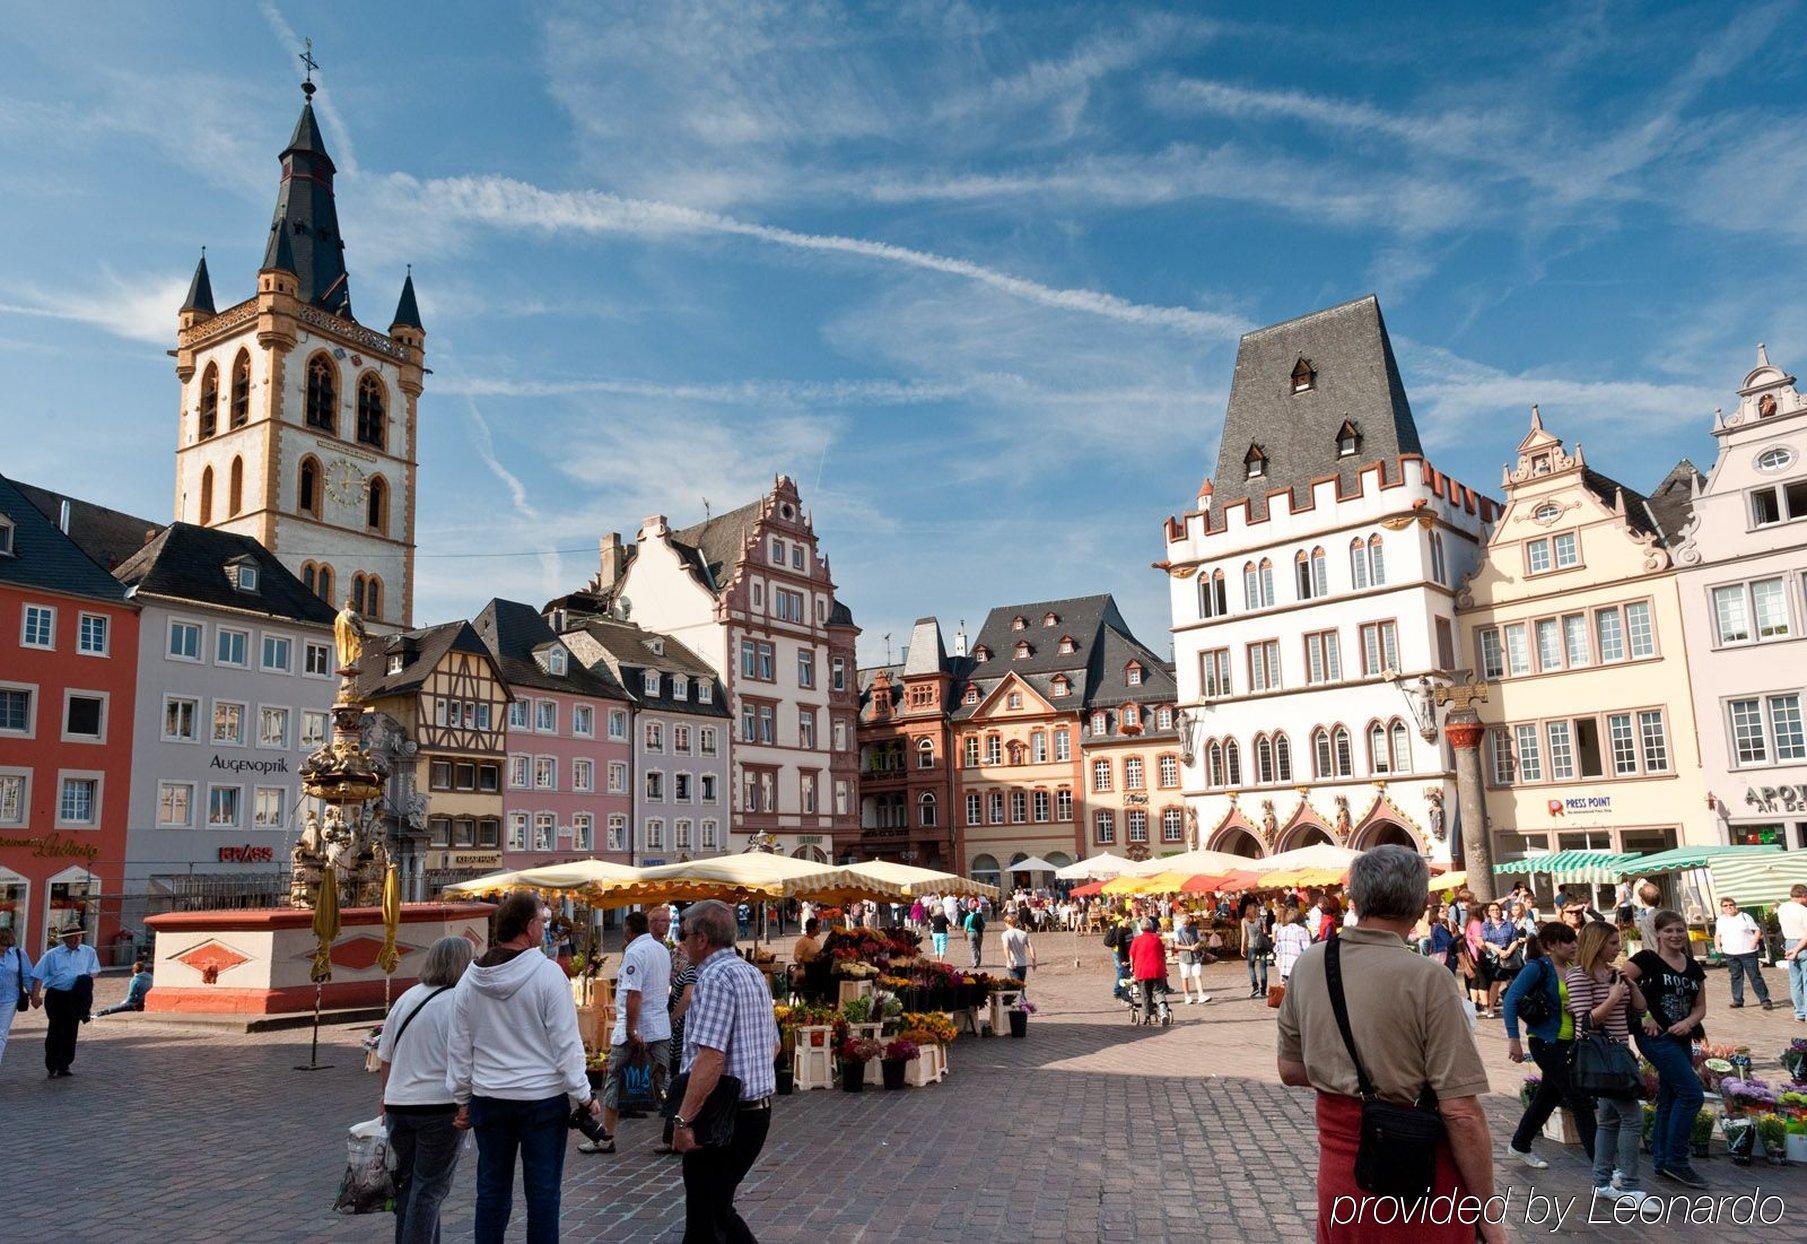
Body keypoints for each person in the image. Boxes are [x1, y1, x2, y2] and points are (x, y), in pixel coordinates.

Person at [1275, 846, 1503, 1244]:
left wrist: (1346, 1071)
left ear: (1355, 899)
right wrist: (1488, 1216)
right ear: (1419, 907)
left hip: (1342, 1176)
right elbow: (1461, 1113)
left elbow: (1290, 1069)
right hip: (1419, 1180)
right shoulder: (1428, 978)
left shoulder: (1311, 963)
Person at [446, 891, 599, 1244]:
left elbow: (459, 1045)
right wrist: (584, 1095)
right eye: (542, 923)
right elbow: (566, 1043)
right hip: (541, 1099)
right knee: (543, 1194)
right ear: (529, 927)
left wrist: (462, 1098)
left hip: (490, 1098)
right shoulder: (547, 975)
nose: (544, 929)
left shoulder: (470, 980)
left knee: (491, 1191)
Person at [671, 899, 780, 1243]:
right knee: (716, 1210)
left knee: (707, 1218)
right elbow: (773, 1045)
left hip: (722, 1117)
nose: (681, 941)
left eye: (684, 934)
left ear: (702, 938)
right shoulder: (750, 973)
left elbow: (710, 1058)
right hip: (755, 1112)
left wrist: (683, 1119)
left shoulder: (714, 978)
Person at [382, 936, 475, 1244]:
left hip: (399, 1105)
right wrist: (466, 1103)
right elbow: (465, 1060)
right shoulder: (460, 1003)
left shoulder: (407, 998)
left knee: (410, 1186)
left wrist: (385, 1100)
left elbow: (385, 1057)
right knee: (429, 1190)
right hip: (439, 1107)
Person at [1566, 920, 1650, 1208]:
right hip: (1600, 1057)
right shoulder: (1579, 976)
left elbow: (1639, 1009)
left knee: (1610, 1119)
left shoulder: (1614, 974)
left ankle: (1602, 1180)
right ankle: (1629, 1184)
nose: (1618, 949)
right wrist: (1614, 997)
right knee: (1632, 1117)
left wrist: (1628, 986)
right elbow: (1586, 1021)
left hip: (1619, 1053)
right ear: (1597, 944)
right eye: (1613, 943)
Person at [1623, 909, 1708, 1189]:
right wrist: (1644, 1013)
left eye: (1679, 930)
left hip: (1681, 1035)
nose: (1675, 936)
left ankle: (1663, 1160)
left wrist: (1689, 1023)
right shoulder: (1646, 959)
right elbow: (1619, 981)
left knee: (1672, 1096)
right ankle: (1677, 1160)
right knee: (1692, 1093)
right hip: (1655, 1036)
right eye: (1669, 931)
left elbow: (1700, 1007)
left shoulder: (1694, 967)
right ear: (1657, 934)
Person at [1503, 922, 1595, 1168]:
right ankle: (1603, 1165)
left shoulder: (1572, 968)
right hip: (1545, 1042)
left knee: (1547, 1096)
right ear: (1552, 945)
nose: (1575, 945)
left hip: (1569, 1042)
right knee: (1579, 1098)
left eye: (1575, 940)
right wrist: (1514, 1039)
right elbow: (1511, 999)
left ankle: (1520, 1144)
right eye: (1568, 941)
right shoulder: (1537, 968)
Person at [587, 908, 675, 1155]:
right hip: (660, 1028)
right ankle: (676, 1135)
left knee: (614, 1080)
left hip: (636, 1031)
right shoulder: (661, 950)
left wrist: (630, 1029)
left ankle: (606, 1137)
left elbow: (634, 994)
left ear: (627, 930)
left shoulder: (635, 952)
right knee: (663, 1084)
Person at [31, 925, 99, 1078]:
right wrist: (35, 996)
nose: (76, 940)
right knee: (56, 1029)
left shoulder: (89, 952)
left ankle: (65, 1064)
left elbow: (94, 971)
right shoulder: (52, 955)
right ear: (64, 939)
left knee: (71, 1030)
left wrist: (83, 984)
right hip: (57, 995)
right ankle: (52, 1065)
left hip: (76, 996)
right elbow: (38, 976)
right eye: (73, 937)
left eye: (79, 936)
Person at [1713, 896, 1773, 1010]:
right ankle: (1737, 1000)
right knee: (1735, 977)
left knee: (1755, 976)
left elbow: (1757, 930)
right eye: (1725, 906)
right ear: (1722, 908)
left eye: (1731, 905)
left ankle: (1765, 1000)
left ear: (1735, 906)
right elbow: (1718, 934)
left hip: (1747, 952)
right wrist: (1717, 945)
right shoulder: (1720, 919)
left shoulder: (1744, 916)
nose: (1729, 907)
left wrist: (1754, 942)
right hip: (1730, 952)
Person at [1479, 901, 1523, 1017]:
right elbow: (1486, 941)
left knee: (1513, 982)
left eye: (1497, 909)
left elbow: (1515, 939)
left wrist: (1508, 951)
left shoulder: (1508, 924)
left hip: (1511, 955)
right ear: (1488, 913)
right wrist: (1500, 951)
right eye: (1492, 910)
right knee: (1495, 983)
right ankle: (1491, 1008)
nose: (1495, 912)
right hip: (1495, 957)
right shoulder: (1486, 925)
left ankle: (1515, 1007)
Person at [0, 928, 32, 1066]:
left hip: (9, 999)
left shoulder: (19, 954)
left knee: (1, 1033)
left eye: (5, 944)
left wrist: (34, 995)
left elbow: (27, 976)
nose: (3, 948)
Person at [1128, 917, 1168, 1023]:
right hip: (1157, 969)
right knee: (1159, 991)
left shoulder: (1136, 940)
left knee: (1145, 993)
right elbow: (1162, 955)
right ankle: (1163, 1009)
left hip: (1142, 970)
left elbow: (1132, 956)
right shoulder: (1157, 939)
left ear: (1141, 928)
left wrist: (1132, 968)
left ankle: (1147, 1015)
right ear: (1151, 927)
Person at [1778, 883, 1807, 1022]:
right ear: (1803, 896)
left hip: (1789, 941)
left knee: (1795, 981)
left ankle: (1799, 1012)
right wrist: (1797, 949)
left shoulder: (1782, 908)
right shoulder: (1803, 910)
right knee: (1806, 981)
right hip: (1802, 945)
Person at [1173, 911, 1210, 1005]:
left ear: (1189, 922)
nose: (1185, 925)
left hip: (1195, 956)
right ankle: (1187, 996)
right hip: (1184, 957)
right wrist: (1189, 947)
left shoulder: (1194, 929)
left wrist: (1197, 945)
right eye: (1184, 924)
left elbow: (1200, 940)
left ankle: (1201, 995)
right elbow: (1176, 946)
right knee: (1185, 977)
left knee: (1197, 975)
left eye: (1186, 923)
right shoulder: (1178, 932)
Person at [1272, 907, 1311, 988]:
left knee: (1289, 996)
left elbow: (1277, 950)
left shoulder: (1281, 931)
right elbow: (1308, 952)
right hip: (1299, 970)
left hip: (1285, 969)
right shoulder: (1303, 931)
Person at [1240, 898, 1269, 999]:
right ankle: (1264, 989)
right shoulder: (1260, 919)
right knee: (1263, 967)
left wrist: (1242, 948)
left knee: (1251, 967)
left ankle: (1255, 987)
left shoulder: (1244, 921)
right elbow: (1265, 932)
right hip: (1263, 946)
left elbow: (1244, 936)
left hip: (1252, 946)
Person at [999, 913, 1035, 987]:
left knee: (1016, 988)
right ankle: (1022, 998)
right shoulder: (1023, 933)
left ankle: (1021, 998)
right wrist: (1034, 961)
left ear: (1007, 923)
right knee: (1021, 986)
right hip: (1022, 963)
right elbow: (1031, 947)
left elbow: (1006, 947)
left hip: (1013, 963)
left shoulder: (1006, 934)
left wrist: (1009, 961)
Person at [963, 902, 986, 968]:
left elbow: (965, 929)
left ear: (970, 910)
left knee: (973, 948)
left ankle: (975, 962)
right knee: (978, 948)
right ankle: (978, 962)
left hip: (971, 933)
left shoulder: (968, 917)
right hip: (979, 933)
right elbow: (984, 925)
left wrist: (965, 936)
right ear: (976, 910)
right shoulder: (979, 916)